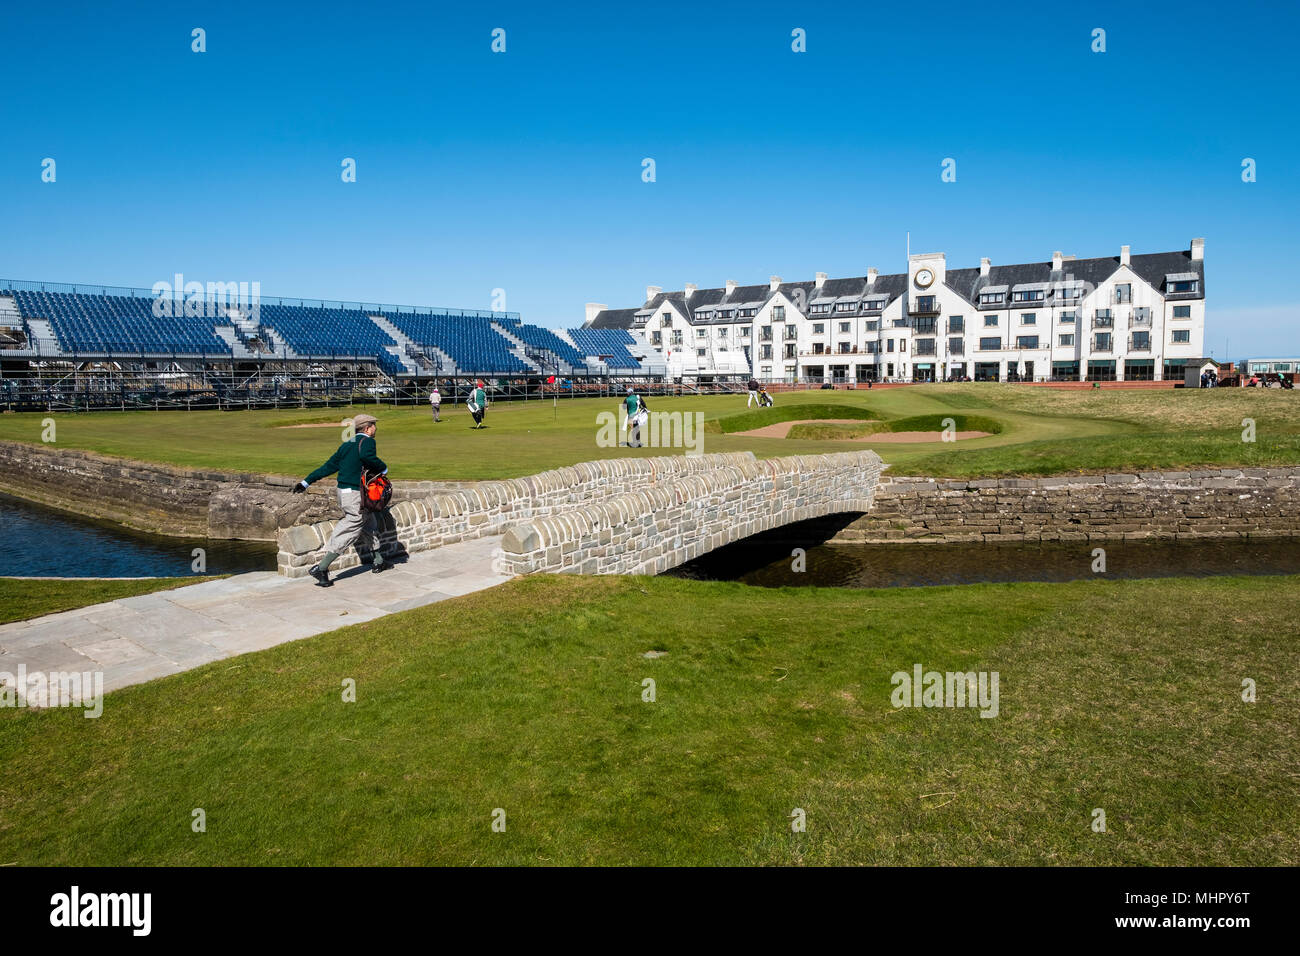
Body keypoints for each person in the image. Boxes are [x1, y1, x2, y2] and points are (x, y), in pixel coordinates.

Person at [292, 413, 390, 587]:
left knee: (369, 523)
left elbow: (329, 466)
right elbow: (369, 458)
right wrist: (383, 468)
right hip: (355, 494)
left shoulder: (347, 444)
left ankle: (378, 560)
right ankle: (321, 567)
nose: (376, 428)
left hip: (343, 493)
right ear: (367, 428)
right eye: (374, 425)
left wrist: (306, 482)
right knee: (351, 528)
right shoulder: (367, 441)